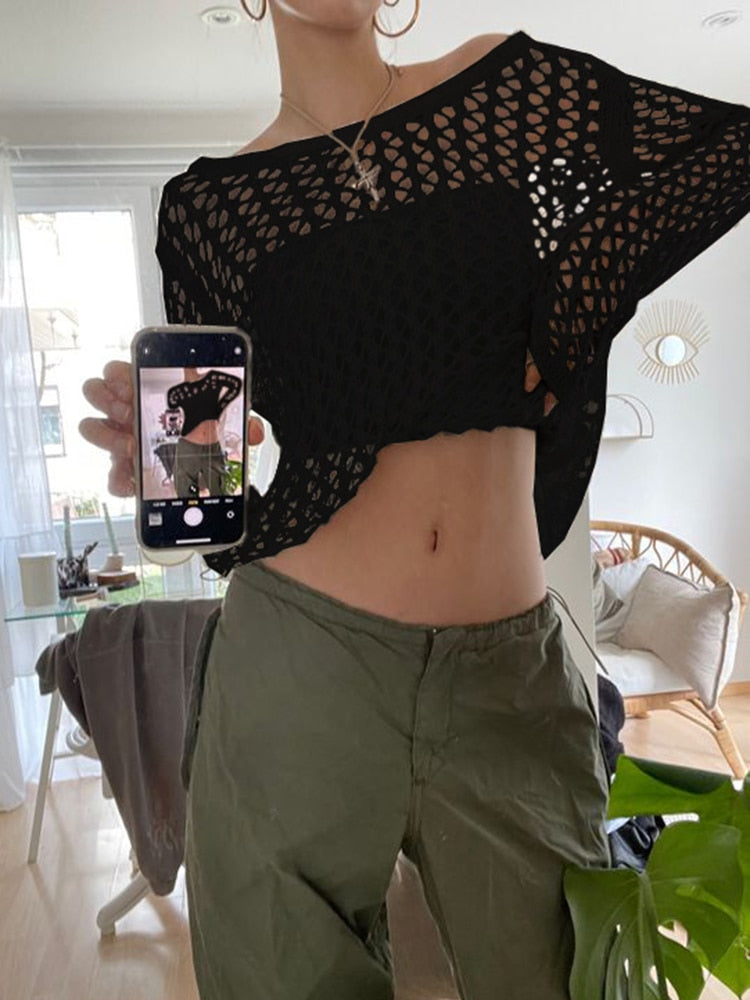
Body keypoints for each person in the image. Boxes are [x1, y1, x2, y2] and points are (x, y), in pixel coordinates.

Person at [79, 2, 749, 997]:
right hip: (297, 664)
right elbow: (210, 464)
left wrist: (564, 323)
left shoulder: (504, 90)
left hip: (508, 677)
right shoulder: (210, 209)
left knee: (573, 975)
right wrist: (169, 463)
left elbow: (715, 158)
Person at [167, 366, 241, 497]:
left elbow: (237, 384)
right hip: (188, 447)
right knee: (185, 494)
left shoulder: (212, 379)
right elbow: (172, 409)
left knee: (221, 492)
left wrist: (220, 407)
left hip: (213, 447)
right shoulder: (178, 391)